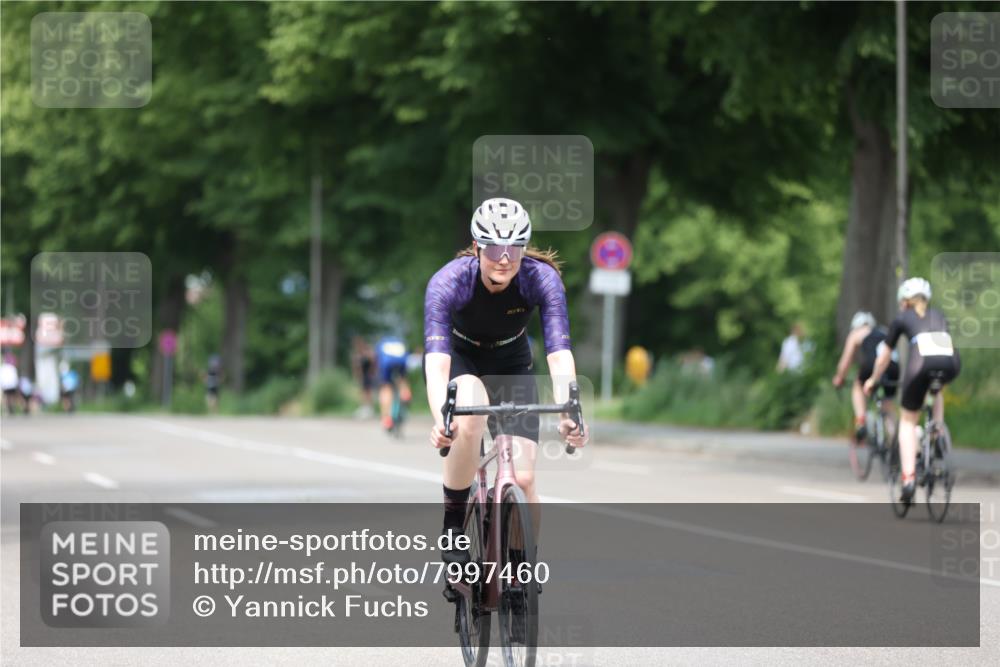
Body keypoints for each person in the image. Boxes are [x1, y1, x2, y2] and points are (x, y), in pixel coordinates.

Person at [424, 197, 588, 566]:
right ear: (478, 246)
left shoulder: (541, 279)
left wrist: (570, 411)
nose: (505, 257)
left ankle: (520, 568)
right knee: (468, 407)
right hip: (461, 357)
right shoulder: (449, 281)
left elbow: (559, 354)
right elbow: (436, 364)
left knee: (525, 480)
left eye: (515, 247)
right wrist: (442, 419)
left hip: (511, 360)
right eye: (495, 246)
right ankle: (453, 529)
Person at [865, 278, 960, 504]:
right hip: (951, 363)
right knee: (937, 389)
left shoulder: (902, 318)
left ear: (904, 301)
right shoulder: (939, 315)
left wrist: (872, 380)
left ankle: (908, 479)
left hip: (920, 364)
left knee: (907, 422)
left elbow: (884, 357)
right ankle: (936, 431)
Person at [832, 311, 899, 444]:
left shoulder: (856, 333)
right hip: (893, 366)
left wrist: (840, 377)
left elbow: (846, 361)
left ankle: (861, 421)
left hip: (873, 365)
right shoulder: (883, 331)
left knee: (858, 385)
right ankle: (896, 441)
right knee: (887, 405)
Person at [375, 335, 412, 432]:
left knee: (386, 387)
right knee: (402, 379)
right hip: (401, 362)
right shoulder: (400, 341)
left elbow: (377, 360)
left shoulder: (382, 342)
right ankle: (405, 393)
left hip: (387, 363)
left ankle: (386, 418)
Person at [350, 336, 376, 419]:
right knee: (363, 392)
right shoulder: (358, 354)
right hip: (363, 375)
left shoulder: (367, 352)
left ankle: (369, 409)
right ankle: (364, 408)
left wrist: (372, 372)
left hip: (368, 375)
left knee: (367, 392)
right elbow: (356, 366)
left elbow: (372, 361)